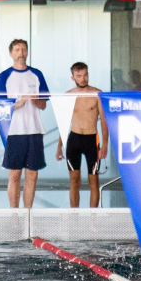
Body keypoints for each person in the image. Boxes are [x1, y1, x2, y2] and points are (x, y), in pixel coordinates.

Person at [0, 39, 49, 208]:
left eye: (24, 49)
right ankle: (14, 213)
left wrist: (36, 101)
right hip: (14, 132)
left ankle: (27, 214)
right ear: (11, 53)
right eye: (17, 50)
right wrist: (19, 103)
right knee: (14, 176)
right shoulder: (4, 77)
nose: (21, 53)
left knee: (32, 176)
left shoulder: (37, 74)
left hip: (34, 130)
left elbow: (43, 105)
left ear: (27, 52)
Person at [55, 61, 109, 208]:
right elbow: (63, 123)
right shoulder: (68, 95)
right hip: (74, 139)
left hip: (92, 140)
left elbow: (104, 121)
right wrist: (59, 147)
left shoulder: (97, 94)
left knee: (93, 180)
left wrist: (104, 145)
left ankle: (92, 218)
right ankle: (74, 216)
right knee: (74, 181)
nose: (83, 79)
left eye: (85, 75)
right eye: (79, 76)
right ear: (73, 77)